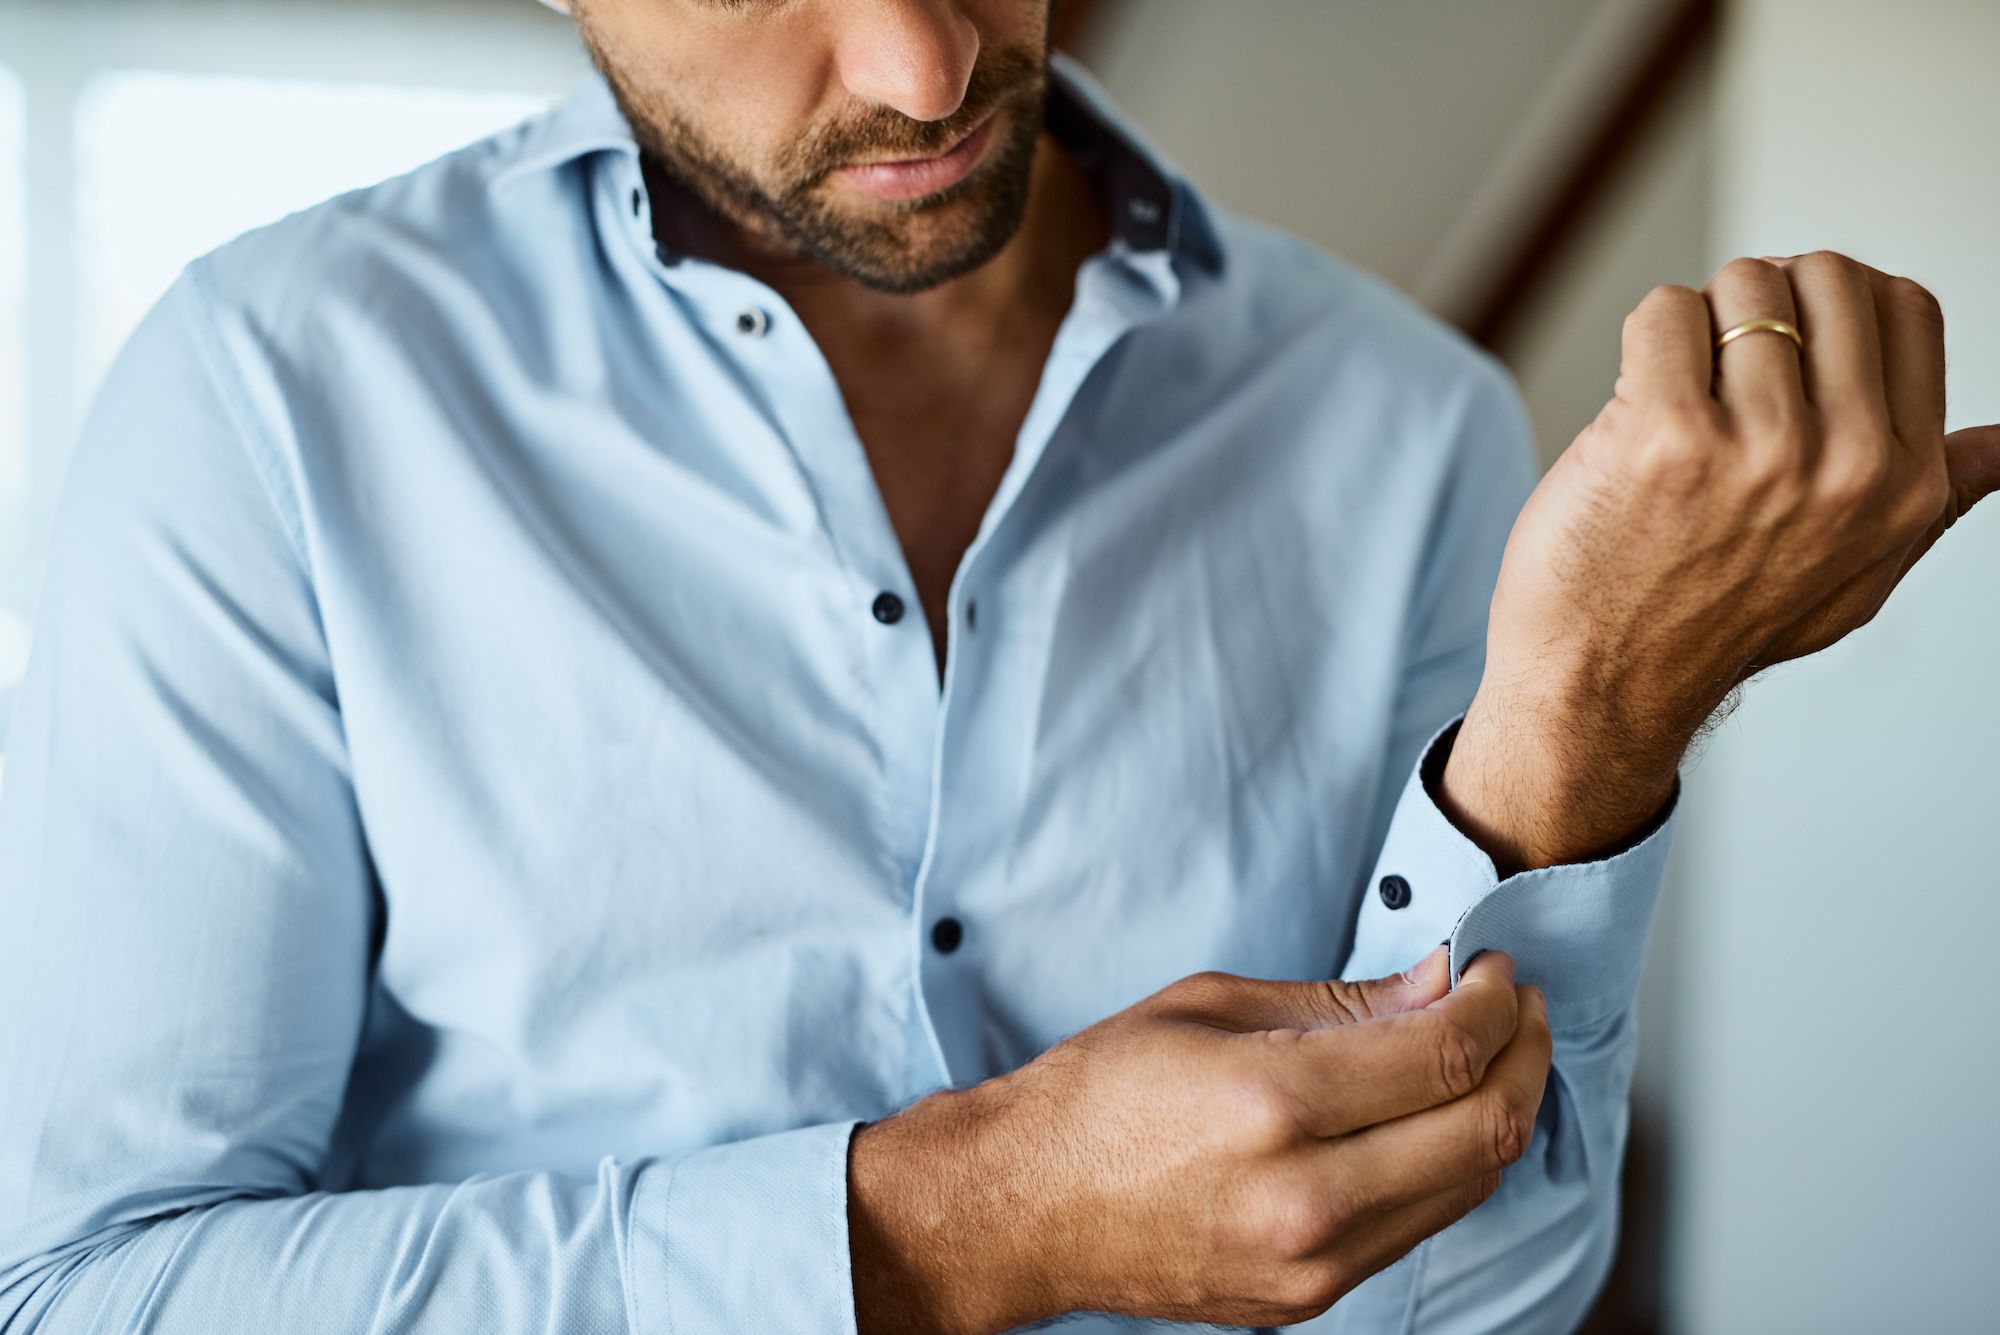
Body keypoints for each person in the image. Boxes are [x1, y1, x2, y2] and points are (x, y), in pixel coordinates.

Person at [1, 1, 1993, 1331]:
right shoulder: (267, 392)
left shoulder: (1403, 417)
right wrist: (954, 1216)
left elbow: (1470, 1310)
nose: (926, 59)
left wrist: (1597, 708)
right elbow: (97, 1290)